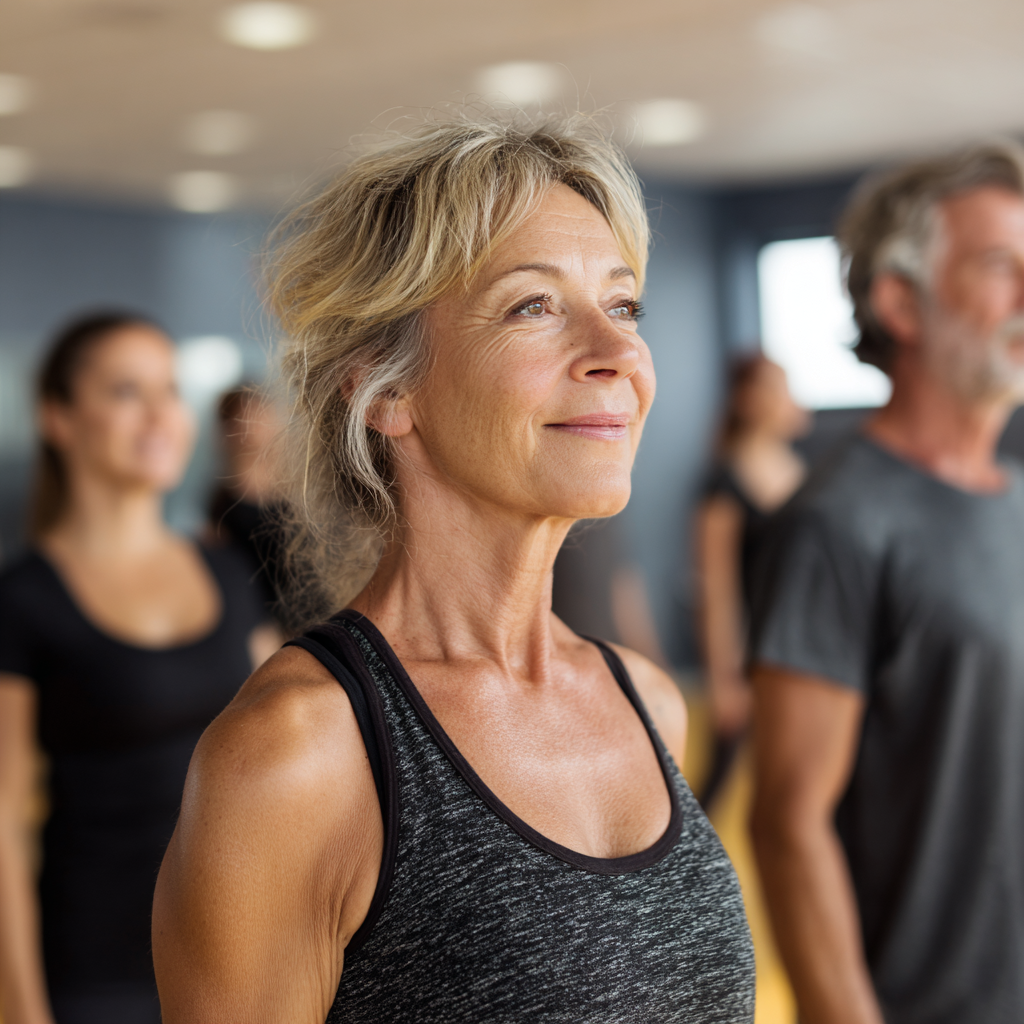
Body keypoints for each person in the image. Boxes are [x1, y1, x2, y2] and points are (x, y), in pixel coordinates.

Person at [152, 114, 756, 1023]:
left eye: (623, 305)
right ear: (387, 391)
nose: (618, 353)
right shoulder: (297, 757)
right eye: (534, 306)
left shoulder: (649, 703)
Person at [749, 142, 1024, 1023]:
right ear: (901, 300)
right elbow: (788, 825)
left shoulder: (1015, 500)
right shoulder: (838, 522)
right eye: (998, 268)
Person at [0, 312, 278, 1024]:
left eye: (170, 389)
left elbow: (280, 748)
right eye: (128, 391)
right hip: (96, 979)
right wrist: (22, 1009)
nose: (161, 415)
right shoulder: (24, 599)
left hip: (236, 967)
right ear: (59, 418)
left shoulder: (225, 570)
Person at [695, 354, 808, 806]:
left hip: (801, 652)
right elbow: (715, 591)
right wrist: (723, 679)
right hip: (751, 659)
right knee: (719, 783)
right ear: (746, 400)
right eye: (775, 388)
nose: (786, 400)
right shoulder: (724, 483)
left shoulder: (800, 471)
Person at [208, 385, 289, 628]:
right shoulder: (225, 508)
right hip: (261, 622)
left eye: (262, 415)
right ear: (230, 428)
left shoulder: (296, 491)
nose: (257, 424)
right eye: (248, 417)